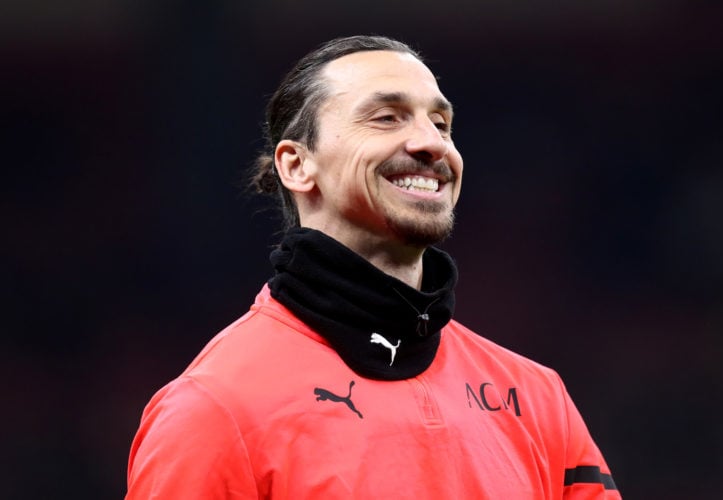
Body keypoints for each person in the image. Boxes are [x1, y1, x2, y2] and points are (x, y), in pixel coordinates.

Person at [126, 35, 621, 499]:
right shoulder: (216, 408)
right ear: (297, 165)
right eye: (387, 117)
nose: (433, 144)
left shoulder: (535, 395)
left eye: (441, 124)